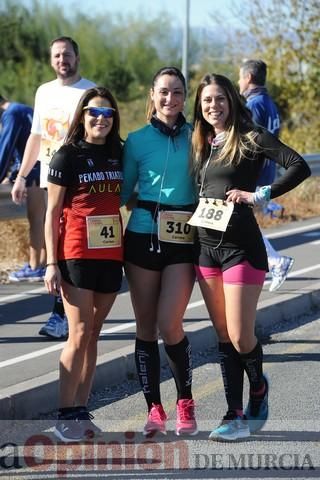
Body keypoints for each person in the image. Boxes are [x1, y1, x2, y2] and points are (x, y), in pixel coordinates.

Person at [190, 73, 310, 441]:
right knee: (223, 336)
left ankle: (258, 387)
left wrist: (258, 195)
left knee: (242, 336)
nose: (214, 106)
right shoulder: (202, 142)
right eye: (207, 100)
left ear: (232, 100)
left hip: (242, 247)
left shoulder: (251, 136)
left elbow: (298, 165)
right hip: (205, 248)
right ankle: (234, 414)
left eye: (220, 99)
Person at [121, 66, 198, 437]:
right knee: (146, 327)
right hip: (141, 237)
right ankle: (154, 407)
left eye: (178, 92)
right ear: (152, 95)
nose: (170, 99)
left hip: (183, 240)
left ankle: (185, 399)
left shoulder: (198, 137)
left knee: (170, 322)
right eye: (164, 92)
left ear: (186, 97)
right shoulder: (135, 141)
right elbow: (122, 193)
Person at [44, 86, 123, 442]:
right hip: (75, 252)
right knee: (77, 332)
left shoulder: (119, 154)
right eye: (94, 112)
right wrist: (50, 263)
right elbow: (51, 213)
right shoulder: (66, 156)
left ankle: (80, 410)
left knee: (93, 333)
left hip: (111, 254)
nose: (100, 119)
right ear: (83, 115)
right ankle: (64, 415)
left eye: (107, 114)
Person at [11, 36, 95, 339]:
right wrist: (21, 176)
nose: (63, 60)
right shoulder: (44, 92)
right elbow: (36, 137)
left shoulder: (90, 92)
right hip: (50, 180)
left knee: (70, 247)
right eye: (57, 56)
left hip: (78, 182)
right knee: (55, 245)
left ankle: (65, 313)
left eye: (68, 55)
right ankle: (64, 313)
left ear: (77, 57)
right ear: (51, 60)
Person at [239, 59, 294, 292]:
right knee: (246, 222)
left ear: (249, 78)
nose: (239, 82)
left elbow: (248, 139)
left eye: (240, 77)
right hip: (267, 170)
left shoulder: (253, 104)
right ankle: (267, 263)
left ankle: (274, 261)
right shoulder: (270, 103)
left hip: (255, 172)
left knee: (244, 222)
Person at [0, 95, 46, 281]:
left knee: (35, 218)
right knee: (42, 219)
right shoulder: (23, 108)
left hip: (34, 171)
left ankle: (35, 266)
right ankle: (43, 262)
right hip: (44, 167)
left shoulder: (11, 114)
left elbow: (6, 148)